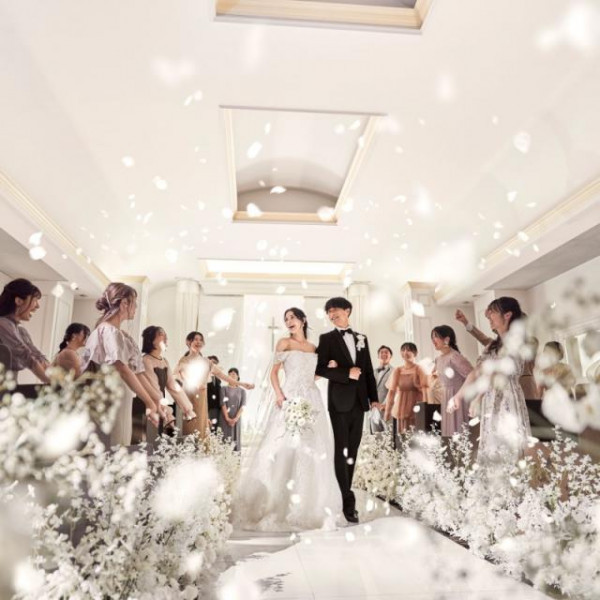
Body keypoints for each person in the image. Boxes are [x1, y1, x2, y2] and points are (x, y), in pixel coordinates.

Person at [236, 308, 342, 531]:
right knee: (283, 446)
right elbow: (274, 373)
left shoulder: (313, 348)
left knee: (313, 447)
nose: (288, 321)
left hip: (312, 398)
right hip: (290, 396)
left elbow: (312, 375)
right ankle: (277, 501)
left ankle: (310, 504)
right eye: (286, 319)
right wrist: (279, 395)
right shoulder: (284, 343)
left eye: (292, 317)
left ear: (303, 320)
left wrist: (328, 369)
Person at [316, 297, 380, 524]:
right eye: (328, 312)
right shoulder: (326, 339)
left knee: (352, 450)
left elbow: (368, 371)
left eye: (335, 310)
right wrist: (345, 373)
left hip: (360, 402)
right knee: (341, 451)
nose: (331, 315)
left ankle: (344, 492)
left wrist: (374, 399)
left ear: (347, 311)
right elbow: (320, 369)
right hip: (339, 402)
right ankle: (346, 500)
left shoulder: (362, 338)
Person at [448, 297, 531, 462]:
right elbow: (476, 372)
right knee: (492, 447)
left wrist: (478, 398)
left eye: (493, 312)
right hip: (490, 399)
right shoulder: (492, 346)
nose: (489, 316)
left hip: (507, 398)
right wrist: (458, 396)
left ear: (507, 315)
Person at [81, 283, 162, 446]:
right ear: (124, 303)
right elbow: (123, 369)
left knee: (120, 442)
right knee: (113, 445)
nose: (136, 307)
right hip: (110, 398)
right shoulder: (108, 331)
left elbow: (138, 372)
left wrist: (156, 401)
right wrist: (148, 402)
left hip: (121, 396)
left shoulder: (120, 334)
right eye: (134, 302)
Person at [174, 332, 253, 439]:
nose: (198, 342)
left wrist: (241, 384)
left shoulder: (206, 362)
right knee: (189, 429)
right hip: (189, 398)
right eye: (195, 339)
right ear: (188, 342)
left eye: (200, 340)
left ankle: (200, 449)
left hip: (202, 399)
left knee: (202, 431)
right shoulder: (184, 361)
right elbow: (177, 377)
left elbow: (223, 375)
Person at [455, 308, 539, 401]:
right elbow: (484, 339)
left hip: (526, 386)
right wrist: (466, 323)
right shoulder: (502, 344)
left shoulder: (530, 341)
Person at [136, 326, 196, 442]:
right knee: (150, 441)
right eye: (161, 334)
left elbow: (172, 385)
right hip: (147, 403)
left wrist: (188, 408)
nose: (165, 336)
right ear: (151, 339)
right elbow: (153, 388)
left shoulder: (164, 361)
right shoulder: (146, 360)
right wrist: (168, 414)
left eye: (165, 334)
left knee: (161, 441)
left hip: (160, 403)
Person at [0, 278, 49, 382]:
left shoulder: (21, 331)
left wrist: (57, 375)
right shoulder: (2, 324)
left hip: (10, 386)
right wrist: (50, 382)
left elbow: (36, 356)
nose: (38, 306)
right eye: (34, 300)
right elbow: (26, 356)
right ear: (18, 301)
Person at [430, 325, 473, 437]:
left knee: (458, 431)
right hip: (446, 397)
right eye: (432, 337)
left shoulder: (454, 356)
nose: (433, 340)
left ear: (447, 339)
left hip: (458, 397)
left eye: (436, 336)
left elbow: (472, 376)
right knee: (448, 432)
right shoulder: (438, 359)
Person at [384, 343, 428, 440]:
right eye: (403, 350)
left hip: (416, 408)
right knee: (401, 438)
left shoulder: (419, 369)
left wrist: (425, 409)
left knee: (415, 438)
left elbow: (426, 390)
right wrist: (387, 412)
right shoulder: (398, 370)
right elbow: (391, 392)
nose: (405, 352)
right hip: (401, 408)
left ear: (415, 353)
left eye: (409, 350)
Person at [220, 368, 246, 451]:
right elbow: (222, 403)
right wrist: (227, 418)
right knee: (225, 438)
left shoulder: (242, 391)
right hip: (225, 418)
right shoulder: (223, 388)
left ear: (238, 376)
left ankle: (235, 458)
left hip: (237, 418)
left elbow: (243, 405)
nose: (232, 375)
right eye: (230, 374)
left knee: (236, 439)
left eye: (234, 374)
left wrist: (236, 419)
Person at [371, 345, 393, 433]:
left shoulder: (395, 371)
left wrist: (384, 405)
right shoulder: (372, 372)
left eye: (386, 352)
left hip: (388, 409)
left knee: (390, 435)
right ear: (378, 356)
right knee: (375, 437)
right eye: (381, 352)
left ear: (390, 356)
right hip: (373, 410)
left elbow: (394, 390)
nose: (384, 354)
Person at [206, 355, 222, 433]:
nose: (213, 364)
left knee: (215, 429)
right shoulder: (203, 376)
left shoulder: (218, 380)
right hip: (206, 407)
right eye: (212, 362)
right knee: (207, 429)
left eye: (215, 363)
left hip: (216, 408)